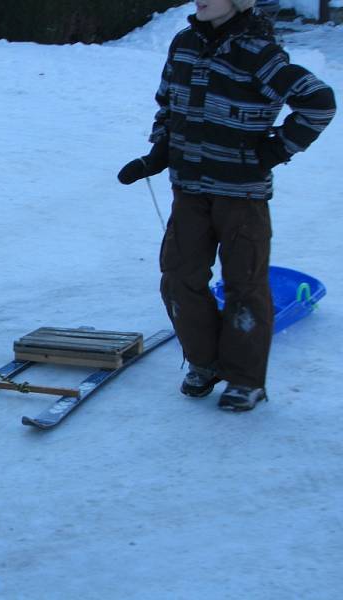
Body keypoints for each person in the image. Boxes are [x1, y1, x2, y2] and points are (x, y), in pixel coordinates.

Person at [117, 0, 335, 411]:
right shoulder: (183, 44)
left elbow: (318, 102)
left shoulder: (259, 52)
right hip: (188, 188)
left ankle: (245, 380)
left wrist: (272, 151)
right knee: (178, 278)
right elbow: (169, 105)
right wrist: (158, 154)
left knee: (244, 284)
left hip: (242, 196)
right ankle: (204, 363)